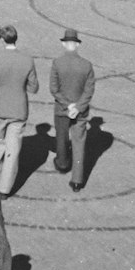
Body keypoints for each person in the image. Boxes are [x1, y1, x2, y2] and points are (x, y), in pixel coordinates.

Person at [0, 26, 39, 198]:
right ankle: (5, 189)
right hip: (18, 110)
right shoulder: (27, 60)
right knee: (12, 151)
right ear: (16, 38)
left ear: (2, 39)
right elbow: (33, 87)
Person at [49, 28, 96, 191]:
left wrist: (67, 105)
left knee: (61, 137)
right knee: (79, 143)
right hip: (81, 111)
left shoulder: (57, 63)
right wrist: (78, 106)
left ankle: (62, 163)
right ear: (77, 45)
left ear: (63, 44)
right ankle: (77, 181)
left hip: (62, 109)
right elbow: (89, 90)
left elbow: (54, 89)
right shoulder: (87, 65)